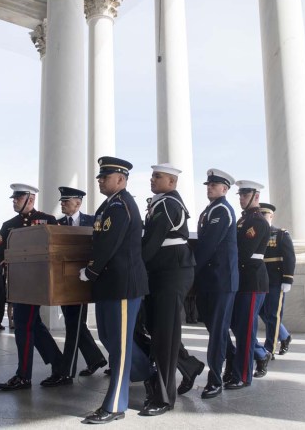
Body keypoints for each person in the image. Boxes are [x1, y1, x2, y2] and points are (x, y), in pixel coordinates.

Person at [79, 156, 149, 424]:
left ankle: (115, 405)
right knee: (109, 338)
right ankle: (146, 371)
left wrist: (91, 271)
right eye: (99, 177)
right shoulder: (107, 206)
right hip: (109, 284)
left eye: (104, 177)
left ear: (120, 180)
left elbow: (109, 244)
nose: (99, 180)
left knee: (118, 347)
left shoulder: (121, 205)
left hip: (123, 285)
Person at [139, 163, 196, 415]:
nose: (152, 179)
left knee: (164, 334)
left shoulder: (167, 204)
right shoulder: (160, 202)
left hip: (171, 273)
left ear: (172, 182)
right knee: (157, 329)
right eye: (152, 176)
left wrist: (134, 265)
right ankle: (189, 366)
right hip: (162, 272)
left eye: (158, 176)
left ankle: (164, 398)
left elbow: (150, 243)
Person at [0, 184, 64, 391]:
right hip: (19, 283)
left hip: (37, 282)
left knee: (24, 326)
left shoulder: (48, 221)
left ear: (30, 199)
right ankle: (61, 367)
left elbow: (55, 248)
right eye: (14, 199)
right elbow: (2, 255)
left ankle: (23, 376)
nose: (14, 201)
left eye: (18, 198)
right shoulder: (8, 225)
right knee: (32, 325)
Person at [45, 186, 107, 386]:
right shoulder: (57, 224)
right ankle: (95, 358)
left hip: (84, 280)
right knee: (75, 324)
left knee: (73, 325)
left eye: (66, 201)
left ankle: (66, 371)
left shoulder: (93, 221)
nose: (62, 204)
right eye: (62, 201)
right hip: (64, 282)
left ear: (78, 203)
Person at [193, 169, 238, 399]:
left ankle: (215, 379)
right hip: (210, 281)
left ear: (225, 189)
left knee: (218, 330)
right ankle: (234, 361)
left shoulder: (222, 209)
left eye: (215, 185)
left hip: (221, 280)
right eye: (208, 185)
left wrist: (190, 270)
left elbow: (208, 245)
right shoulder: (209, 210)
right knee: (215, 328)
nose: (210, 188)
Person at [225, 180, 270, 389]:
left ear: (256, 197)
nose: (242, 199)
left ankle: (242, 376)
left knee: (245, 330)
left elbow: (243, 251)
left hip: (252, 280)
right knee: (237, 325)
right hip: (241, 280)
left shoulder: (258, 221)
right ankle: (260, 354)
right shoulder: (243, 220)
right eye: (240, 195)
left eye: (245, 195)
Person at [257, 203, 295, 363]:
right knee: (261, 313)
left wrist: (287, 279)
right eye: (260, 215)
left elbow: (290, 257)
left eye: (265, 215)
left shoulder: (280, 234)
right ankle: (284, 336)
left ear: (271, 216)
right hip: (259, 280)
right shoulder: (255, 234)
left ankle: (269, 349)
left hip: (275, 280)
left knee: (273, 314)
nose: (262, 218)